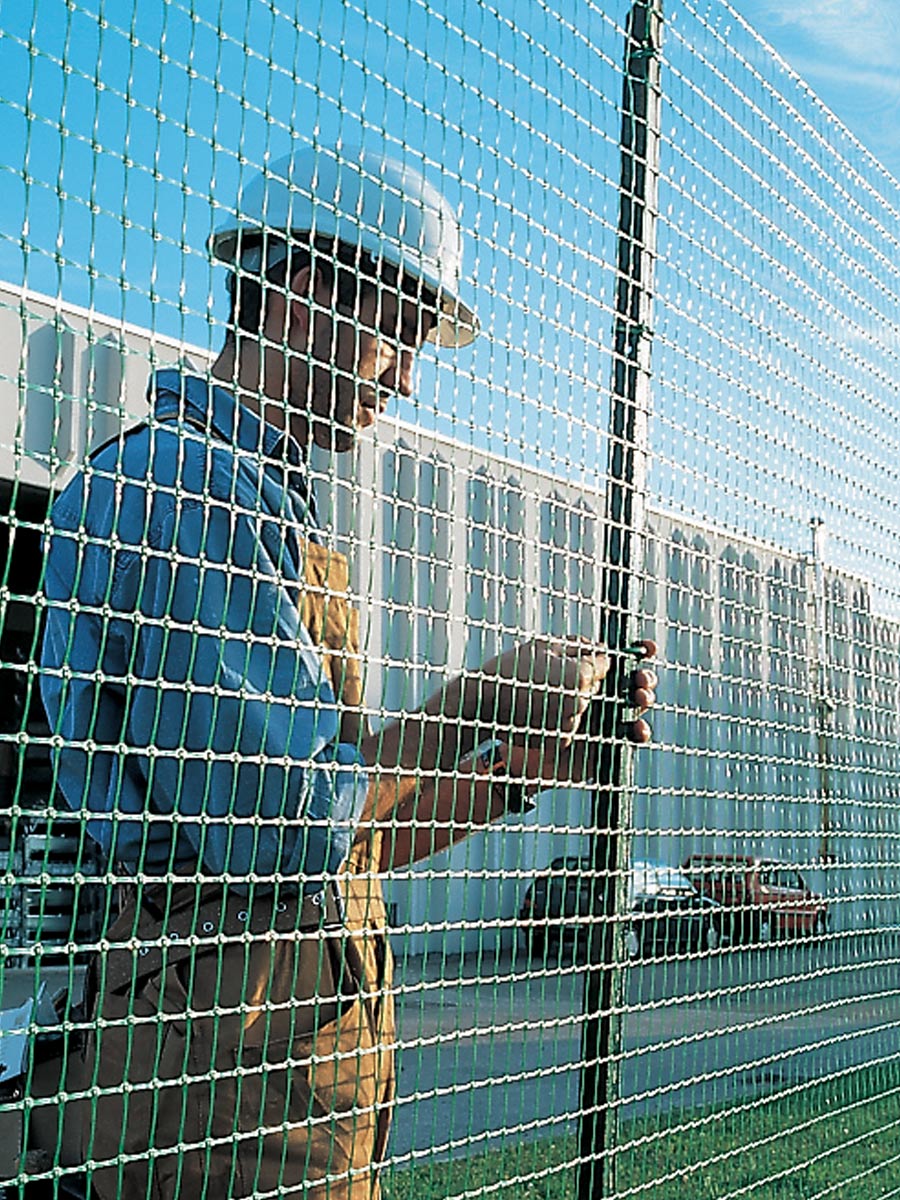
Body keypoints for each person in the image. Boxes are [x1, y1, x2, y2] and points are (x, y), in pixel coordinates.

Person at [36, 146, 657, 1200]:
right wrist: (485, 698)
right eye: (399, 336)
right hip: (207, 1084)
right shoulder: (187, 488)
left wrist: (530, 757)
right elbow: (290, 826)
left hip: (279, 1064)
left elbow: (346, 844)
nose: (409, 380)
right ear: (304, 287)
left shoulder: (266, 501)